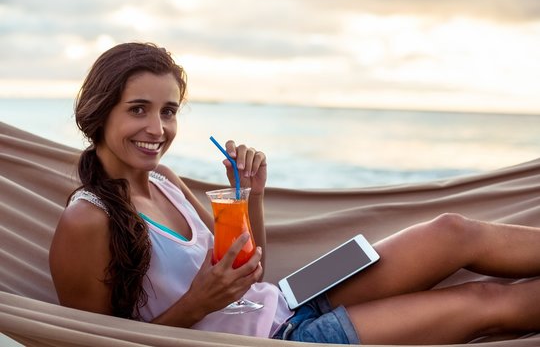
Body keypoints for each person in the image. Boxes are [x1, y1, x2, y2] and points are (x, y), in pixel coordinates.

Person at [49, 42, 540, 345]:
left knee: (452, 230)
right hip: (282, 337)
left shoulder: (163, 179)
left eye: (169, 111)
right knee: (484, 301)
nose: (158, 128)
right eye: (139, 109)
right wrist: (198, 303)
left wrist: (254, 196)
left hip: (286, 295)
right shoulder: (88, 220)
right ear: (100, 111)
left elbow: (250, 265)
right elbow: (97, 344)